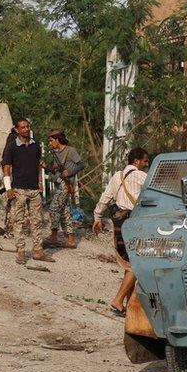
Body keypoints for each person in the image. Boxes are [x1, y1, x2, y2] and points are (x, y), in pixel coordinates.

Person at [93, 147, 151, 316]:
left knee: (129, 263)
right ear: (136, 161)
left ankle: (127, 305)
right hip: (136, 223)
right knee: (137, 264)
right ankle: (118, 300)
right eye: (145, 161)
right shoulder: (142, 176)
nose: (147, 164)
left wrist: (97, 217)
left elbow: (105, 198)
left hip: (119, 223)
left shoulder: (117, 176)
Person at [3, 118, 55, 265]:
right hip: (19, 189)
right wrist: (8, 188)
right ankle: (21, 252)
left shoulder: (35, 146)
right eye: (23, 127)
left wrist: (39, 184)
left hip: (33, 190)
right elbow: (6, 167)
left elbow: (38, 164)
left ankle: (38, 251)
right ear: (17, 130)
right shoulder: (12, 147)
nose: (26, 129)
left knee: (37, 221)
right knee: (18, 221)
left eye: (27, 127)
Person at [45, 130, 85, 249]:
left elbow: (82, 164)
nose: (50, 143)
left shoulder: (70, 151)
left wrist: (70, 172)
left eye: (51, 140)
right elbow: (56, 172)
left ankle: (53, 235)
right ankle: (71, 240)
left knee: (53, 209)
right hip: (59, 184)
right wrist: (46, 167)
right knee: (65, 212)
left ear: (58, 140)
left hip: (66, 185)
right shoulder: (55, 153)